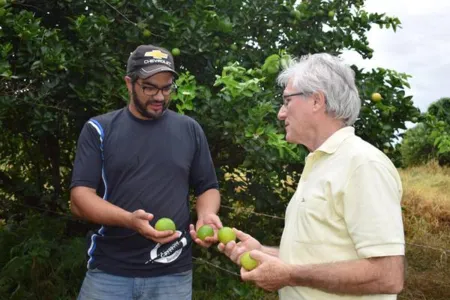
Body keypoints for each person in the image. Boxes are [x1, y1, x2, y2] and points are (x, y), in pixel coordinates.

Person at [219, 53, 405, 299]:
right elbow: (319, 258)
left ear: (317, 100)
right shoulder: (321, 163)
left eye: (287, 101)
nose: (281, 114)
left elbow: (387, 275)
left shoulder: (362, 164)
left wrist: (289, 276)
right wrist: (264, 253)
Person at [70, 44, 222, 300]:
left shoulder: (189, 129)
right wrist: (130, 220)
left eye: (166, 87)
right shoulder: (99, 129)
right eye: (150, 87)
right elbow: (79, 198)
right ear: (129, 84)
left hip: (173, 272)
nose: (160, 97)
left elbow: (207, 186)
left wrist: (207, 214)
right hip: (110, 271)